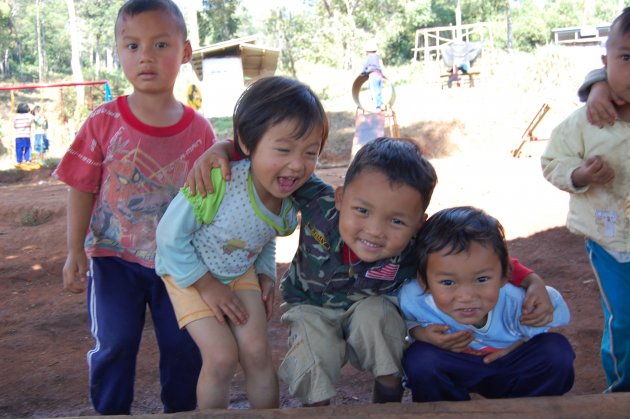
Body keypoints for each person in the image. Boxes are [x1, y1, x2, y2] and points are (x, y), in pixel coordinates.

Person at [188, 136, 556, 407]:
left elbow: (473, 249)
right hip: (311, 305)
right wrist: (223, 149)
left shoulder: (420, 242)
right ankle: (317, 410)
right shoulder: (316, 200)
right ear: (340, 197)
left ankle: (388, 398)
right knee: (313, 349)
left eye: (396, 220)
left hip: (372, 302)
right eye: (361, 211)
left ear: (418, 224)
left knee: (379, 318)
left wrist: (530, 279)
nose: (375, 231)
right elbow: (273, 158)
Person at [52, 0, 216, 414]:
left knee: (184, 347)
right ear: (119, 52)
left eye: (161, 44)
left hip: (178, 264)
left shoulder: (200, 131)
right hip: (112, 261)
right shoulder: (103, 121)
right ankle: (110, 412)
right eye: (132, 46)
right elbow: (81, 187)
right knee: (115, 344)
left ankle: (181, 411)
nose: (145, 56)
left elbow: (210, 204)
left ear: (185, 52)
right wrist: (75, 251)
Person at [155, 76, 328, 409]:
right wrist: (206, 285)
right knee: (221, 357)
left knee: (257, 351)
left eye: (310, 152)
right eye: (283, 149)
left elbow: (263, 235)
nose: (297, 163)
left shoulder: (291, 197)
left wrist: (265, 272)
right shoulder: (218, 179)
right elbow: (168, 237)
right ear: (247, 144)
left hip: (239, 270)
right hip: (188, 272)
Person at [541, 7, 630, 394]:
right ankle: (622, 390)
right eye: (626, 58)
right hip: (611, 242)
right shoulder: (586, 121)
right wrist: (580, 176)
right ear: (605, 61)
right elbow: (552, 162)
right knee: (624, 318)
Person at [399, 206, 575, 402]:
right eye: (448, 282)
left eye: (481, 279)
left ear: (505, 275)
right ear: (424, 282)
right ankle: (446, 412)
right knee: (421, 360)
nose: (466, 296)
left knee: (555, 351)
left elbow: (550, 319)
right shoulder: (413, 297)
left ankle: (532, 408)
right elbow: (400, 324)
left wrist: (518, 344)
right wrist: (420, 333)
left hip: (511, 363)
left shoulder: (519, 300)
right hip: (458, 366)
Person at [361, 40, 385, 111]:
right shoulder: (378, 57)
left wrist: (363, 73)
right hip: (379, 75)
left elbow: (365, 67)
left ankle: (378, 107)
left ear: (367, 51)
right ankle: (381, 104)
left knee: (374, 91)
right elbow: (381, 66)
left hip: (373, 75)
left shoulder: (368, 57)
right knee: (379, 91)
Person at [13, 102, 34, 169]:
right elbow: (33, 119)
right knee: (27, 148)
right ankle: (27, 160)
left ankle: (19, 161)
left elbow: (14, 125)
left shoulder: (16, 116)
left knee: (18, 149)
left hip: (18, 136)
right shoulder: (28, 116)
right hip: (26, 135)